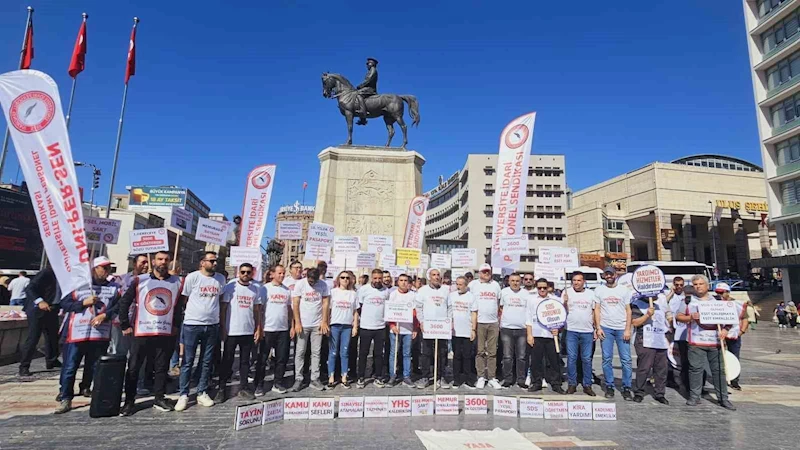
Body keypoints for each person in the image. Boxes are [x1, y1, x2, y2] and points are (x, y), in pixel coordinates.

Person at [118, 251, 183, 416]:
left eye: (166, 260)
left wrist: (176, 325)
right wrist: (125, 324)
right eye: (160, 259)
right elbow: (124, 302)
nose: (163, 262)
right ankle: (129, 402)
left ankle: (159, 398)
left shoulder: (177, 282)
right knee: (133, 368)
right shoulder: (140, 280)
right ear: (153, 261)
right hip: (142, 331)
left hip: (165, 331)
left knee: (161, 367)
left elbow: (178, 306)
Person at [55, 257, 121, 414]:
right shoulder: (78, 286)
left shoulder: (114, 288)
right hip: (77, 332)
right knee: (70, 366)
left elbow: (118, 306)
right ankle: (66, 396)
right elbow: (64, 304)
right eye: (103, 268)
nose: (106, 271)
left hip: (99, 334)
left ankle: (86, 387)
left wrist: (105, 315)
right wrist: (82, 303)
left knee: (94, 365)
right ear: (94, 269)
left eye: (108, 268)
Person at [175, 251, 226, 411]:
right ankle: (183, 394)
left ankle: (201, 391)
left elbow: (220, 299)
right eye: (211, 260)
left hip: (212, 325)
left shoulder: (220, 279)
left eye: (216, 260)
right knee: (188, 360)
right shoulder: (192, 277)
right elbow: (184, 299)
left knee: (206, 361)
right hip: (192, 324)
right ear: (202, 263)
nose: (215, 263)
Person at [677, 275, 736, 410]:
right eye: (695, 284)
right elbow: (678, 316)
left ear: (707, 285)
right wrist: (690, 317)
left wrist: (726, 330)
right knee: (695, 370)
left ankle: (723, 398)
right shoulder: (688, 300)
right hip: (696, 342)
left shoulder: (718, 300)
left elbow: (729, 319)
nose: (698, 286)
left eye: (701, 284)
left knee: (719, 371)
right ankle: (694, 396)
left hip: (715, 342)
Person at [216, 263, 263, 403]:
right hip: (232, 330)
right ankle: (222, 388)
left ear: (252, 274)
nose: (245, 274)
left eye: (248, 272)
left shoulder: (255, 289)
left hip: (247, 330)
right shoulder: (231, 286)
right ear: (238, 272)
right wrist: (223, 327)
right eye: (243, 272)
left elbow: (257, 311)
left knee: (245, 362)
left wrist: (258, 328)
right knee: (227, 360)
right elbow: (223, 308)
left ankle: (243, 387)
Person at [594, 267, 633, 400]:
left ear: (616, 275)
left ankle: (626, 387)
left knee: (626, 359)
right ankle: (609, 385)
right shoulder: (599, 290)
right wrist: (598, 327)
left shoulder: (624, 290)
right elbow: (597, 310)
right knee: (606, 358)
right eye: (607, 274)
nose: (609, 276)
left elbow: (628, 310)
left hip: (622, 328)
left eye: (611, 274)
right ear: (604, 276)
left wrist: (628, 329)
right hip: (606, 328)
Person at [255, 265, 293, 395]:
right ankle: (259, 384)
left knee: (281, 358)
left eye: (283, 273)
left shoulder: (287, 290)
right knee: (263, 358)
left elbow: (289, 310)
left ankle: (278, 382)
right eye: (279, 273)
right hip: (268, 328)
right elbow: (259, 310)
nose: (282, 275)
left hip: (283, 329)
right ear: (272, 274)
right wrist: (259, 328)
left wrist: (291, 325)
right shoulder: (265, 289)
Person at [291, 267, 330, 391]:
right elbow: (295, 303)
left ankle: (315, 378)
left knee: (316, 352)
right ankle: (298, 378)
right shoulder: (300, 284)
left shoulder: (323, 285)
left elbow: (325, 304)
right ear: (306, 276)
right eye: (310, 281)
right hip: (303, 324)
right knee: (300, 352)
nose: (312, 284)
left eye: (314, 282)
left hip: (317, 324)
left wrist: (324, 321)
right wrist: (297, 322)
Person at [18, 267, 61, 377]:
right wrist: (40, 301)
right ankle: (24, 366)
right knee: (33, 337)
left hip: (52, 308)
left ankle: (52, 360)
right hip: (37, 309)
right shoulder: (47, 272)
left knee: (53, 336)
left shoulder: (65, 275)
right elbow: (30, 288)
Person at [630, 292, 671, 405]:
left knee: (661, 368)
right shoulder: (637, 303)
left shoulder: (662, 300)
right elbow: (635, 322)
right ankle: (639, 392)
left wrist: (670, 321)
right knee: (644, 367)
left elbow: (668, 314)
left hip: (660, 339)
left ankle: (660, 393)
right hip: (644, 339)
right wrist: (647, 315)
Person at [526, 278, 566, 394]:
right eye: (539, 288)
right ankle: (536, 382)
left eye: (544, 287)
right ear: (536, 288)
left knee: (554, 361)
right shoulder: (531, 300)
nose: (542, 290)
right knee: (536, 361)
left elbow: (562, 316)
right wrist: (529, 335)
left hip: (551, 335)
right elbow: (528, 318)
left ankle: (556, 383)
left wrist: (558, 329)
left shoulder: (555, 300)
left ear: (548, 287)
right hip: (536, 334)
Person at [416, 269, 452, 389]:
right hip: (428, 327)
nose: (436, 277)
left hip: (442, 327)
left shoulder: (446, 291)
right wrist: (421, 322)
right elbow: (419, 308)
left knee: (442, 353)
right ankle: (425, 376)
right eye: (434, 275)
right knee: (426, 352)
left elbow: (450, 307)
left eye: (438, 275)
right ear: (429, 277)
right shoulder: (422, 291)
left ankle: (440, 377)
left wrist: (449, 321)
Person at [562, 271, 597, 396]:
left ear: (584, 282)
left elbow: (594, 312)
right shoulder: (566, 292)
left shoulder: (591, 294)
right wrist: (564, 302)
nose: (576, 282)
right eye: (574, 280)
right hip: (571, 330)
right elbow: (562, 311)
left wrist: (596, 328)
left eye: (579, 280)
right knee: (571, 358)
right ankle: (572, 384)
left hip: (587, 331)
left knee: (586, 359)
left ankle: (587, 384)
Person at [469, 263, 503, 390]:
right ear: (479, 273)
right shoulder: (473, 285)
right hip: (479, 322)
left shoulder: (495, 285)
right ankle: (481, 376)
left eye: (488, 271)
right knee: (480, 351)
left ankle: (492, 377)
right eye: (483, 271)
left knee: (493, 352)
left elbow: (499, 302)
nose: (486, 273)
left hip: (493, 322)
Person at [110, 255, 149, 357]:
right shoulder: (122, 279)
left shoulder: (150, 280)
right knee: (119, 353)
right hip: (121, 322)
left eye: (148, 262)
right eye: (143, 262)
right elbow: (114, 300)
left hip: (141, 324)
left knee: (137, 355)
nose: (146, 265)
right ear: (134, 264)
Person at [355, 269, 389, 388]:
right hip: (366, 326)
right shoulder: (364, 290)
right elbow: (359, 307)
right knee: (363, 353)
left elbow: (388, 307)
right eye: (375, 278)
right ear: (371, 278)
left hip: (380, 327)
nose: (378, 280)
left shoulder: (386, 290)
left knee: (379, 354)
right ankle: (361, 377)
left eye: (380, 278)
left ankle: (378, 376)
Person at [328, 271, 359, 388]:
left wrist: (355, 326)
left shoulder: (353, 294)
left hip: (347, 326)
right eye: (342, 277)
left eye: (347, 278)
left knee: (344, 352)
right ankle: (331, 377)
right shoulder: (333, 292)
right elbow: (328, 309)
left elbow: (355, 311)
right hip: (335, 325)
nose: (345, 279)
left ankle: (344, 376)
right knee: (333, 352)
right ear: (338, 279)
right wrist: (326, 324)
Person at [716, 283, 748, 391]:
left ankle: (734, 380)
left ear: (727, 292)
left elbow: (744, 318)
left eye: (721, 292)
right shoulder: (714, 303)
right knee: (719, 358)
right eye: (717, 292)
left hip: (734, 334)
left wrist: (741, 331)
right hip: (719, 335)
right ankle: (722, 379)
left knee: (735, 357)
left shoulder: (737, 304)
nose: (719, 295)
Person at [387, 274, 417, 387]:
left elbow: (415, 313)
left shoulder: (413, 295)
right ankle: (392, 375)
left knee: (407, 353)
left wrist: (415, 328)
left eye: (405, 280)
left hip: (408, 329)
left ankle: (406, 376)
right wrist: (392, 325)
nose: (403, 282)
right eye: (401, 280)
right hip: (396, 329)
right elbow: (389, 311)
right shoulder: (393, 294)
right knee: (393, 353)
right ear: (397, 282)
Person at [499, 273, 528, 388]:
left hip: (522, 329)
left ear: (520, 282)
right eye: (513, 281)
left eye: (517, 281)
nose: (515, 283)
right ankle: (508, 379)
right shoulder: (504, 292)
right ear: (509, 281)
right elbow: (500, 308)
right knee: (507, 356)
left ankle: (521, 379)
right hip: (507, 328)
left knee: (521, 356)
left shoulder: (526, 293)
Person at [449, 276, 477, 389]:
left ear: (466, 285)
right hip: (455, 331)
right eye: (457, 284)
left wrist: (473, 329)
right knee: (457, 356)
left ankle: (468, 379)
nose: (458, 286)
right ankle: (457, 379)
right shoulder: (451, 296)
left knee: (467, 356)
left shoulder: (471, 297)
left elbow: (474, 314)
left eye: (461, 284)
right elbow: (448, 311)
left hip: (467, 331)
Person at [666, 277, 689, 392]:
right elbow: (663, 304)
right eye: (677, 285)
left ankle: (683, 378)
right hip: (671, 328)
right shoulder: (671, 295)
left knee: (682, 354)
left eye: (681, 285)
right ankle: (670, 378)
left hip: (683, 329)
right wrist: (671, 293)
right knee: (669, 353)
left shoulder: (686, 296)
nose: (679, 287)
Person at [355, 57, 378, 125]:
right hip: (367, 88)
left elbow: (368, 80)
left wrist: (360, 86)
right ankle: (362, 119)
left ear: (372, 64)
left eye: (368, 64)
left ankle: (363, 111)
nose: (367, 65)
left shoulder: (373, 70)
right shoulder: (370, 71)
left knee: (358, 94)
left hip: (370, 89)